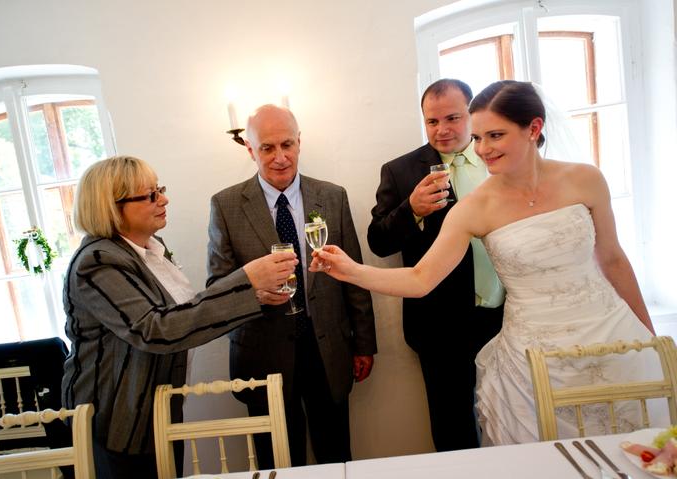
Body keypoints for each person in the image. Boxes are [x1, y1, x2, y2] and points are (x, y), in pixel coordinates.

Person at [312, 80, 662, 445]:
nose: (483, 149)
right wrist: (351, 270)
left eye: (494, 135)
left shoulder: (586, 179)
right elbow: (419, 278)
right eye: (479, 138)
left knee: (634, 445)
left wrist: (649, 337)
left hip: (607, 333)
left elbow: (613, 259)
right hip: (528, 346)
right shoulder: (474, 208)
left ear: (534, 128)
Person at [61, 156, 297, 478]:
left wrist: (251, 296)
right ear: (112, 208)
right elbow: (156, 329)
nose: (164, 200)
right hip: (118, 417)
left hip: (156, 408)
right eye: (150, 195)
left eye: (160, 189)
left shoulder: (149, 248)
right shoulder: (98, 261)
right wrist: (246, 280)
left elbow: (182, 313)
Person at [207, 104, 377, 466]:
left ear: (299, 142)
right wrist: (255, 295)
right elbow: (218, 287)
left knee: (336, 455)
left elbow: (354, 276)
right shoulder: (225, 205)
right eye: (267, 148)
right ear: (250, 150)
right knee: (279, 462)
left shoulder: (332, 196)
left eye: (287, 144)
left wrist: (363, 343)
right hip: (263, 355)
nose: (280, 157)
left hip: (327, 348)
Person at [367, 78, 504, 451]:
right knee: (452, 426)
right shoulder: (399, 171)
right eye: (432, 121)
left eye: (452, 118)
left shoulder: (498, 160)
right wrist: (411, 210)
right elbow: (378, 242)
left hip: (506, 315)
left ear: (472, 115)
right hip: (440, 325)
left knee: (512, 414)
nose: (441, 129)